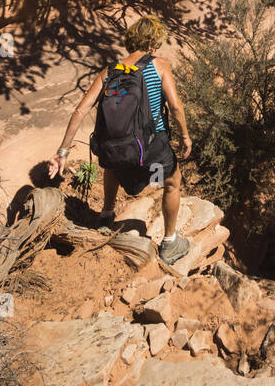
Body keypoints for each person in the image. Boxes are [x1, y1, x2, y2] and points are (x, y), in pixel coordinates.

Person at [47, 16, 192, 263]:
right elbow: (176, 108)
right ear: (154, 41)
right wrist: (185, 136)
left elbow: (80, 111)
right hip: (151, 146)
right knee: (172, 181)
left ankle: (106, 215)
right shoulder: (160, 65)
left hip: (115, 146)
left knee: (111, 164)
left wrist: (62, 152)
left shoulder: (110, 70)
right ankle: (170, 243)